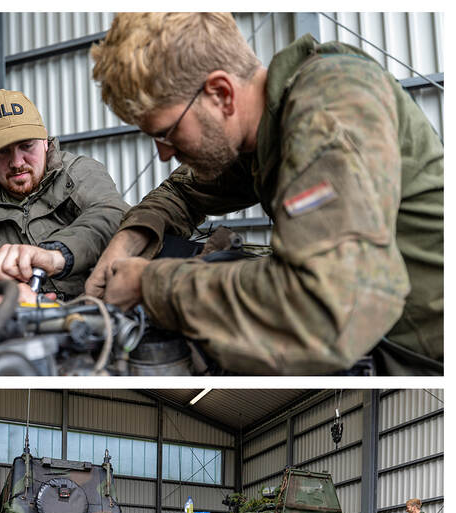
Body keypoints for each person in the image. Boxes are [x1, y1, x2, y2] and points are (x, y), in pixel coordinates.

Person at [87, 12, 443, 375]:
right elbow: (183, 193)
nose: (163, 153)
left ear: (221, 94)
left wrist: (150, 285)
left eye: (166, 132)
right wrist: (130, 239)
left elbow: (325, 313)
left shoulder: (324, 115)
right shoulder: (262, 132)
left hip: (423, 356)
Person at [0, 89, 128, 301]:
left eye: (26, 146)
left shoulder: (79, 173)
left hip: (101, 306)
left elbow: (110, 214)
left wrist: (55, 255)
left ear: (44, 140)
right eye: (2, 151)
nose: (17, 163)